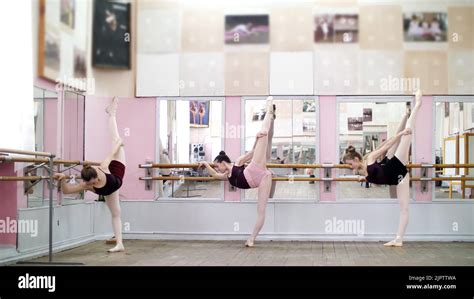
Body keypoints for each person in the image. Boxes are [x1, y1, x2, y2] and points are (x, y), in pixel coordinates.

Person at [342, 90, 423, 247]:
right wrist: (361, 177)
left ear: (356, 159)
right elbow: (371, 178)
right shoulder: (362, 170)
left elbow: (386, 145)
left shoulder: (370, 159)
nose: (349, 167)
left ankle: (418, 103)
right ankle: (398, 239)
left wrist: (400, 135)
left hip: (396, 165)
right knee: (403, 209)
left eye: (349, 163)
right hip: (396, 176)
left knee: (406, 135)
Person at [198, 96, 276, 247]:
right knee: (261, 210)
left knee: (264, 133)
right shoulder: (226, 176)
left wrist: (255, 138)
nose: (216, 168)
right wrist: (205, 163)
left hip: (255, 170)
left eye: (216, 165)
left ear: (222, 162)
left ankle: (269, 111)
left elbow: (253, 152)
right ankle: (252, 238)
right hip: (260, 180)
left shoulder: (238, 162)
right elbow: (214, 174)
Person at [52, 96, 126, 253]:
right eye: (92, 183)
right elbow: (66, 191)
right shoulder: (86, 184)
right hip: (112, 189)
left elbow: (112, 153)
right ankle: (119, 243)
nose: (95, 183)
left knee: (115, 139)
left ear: (97, 173)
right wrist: (64, 179)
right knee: (116, 212)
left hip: (117, 168)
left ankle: (111, 112)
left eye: (96, 180)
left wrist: (119, 143)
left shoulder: (103, 167)